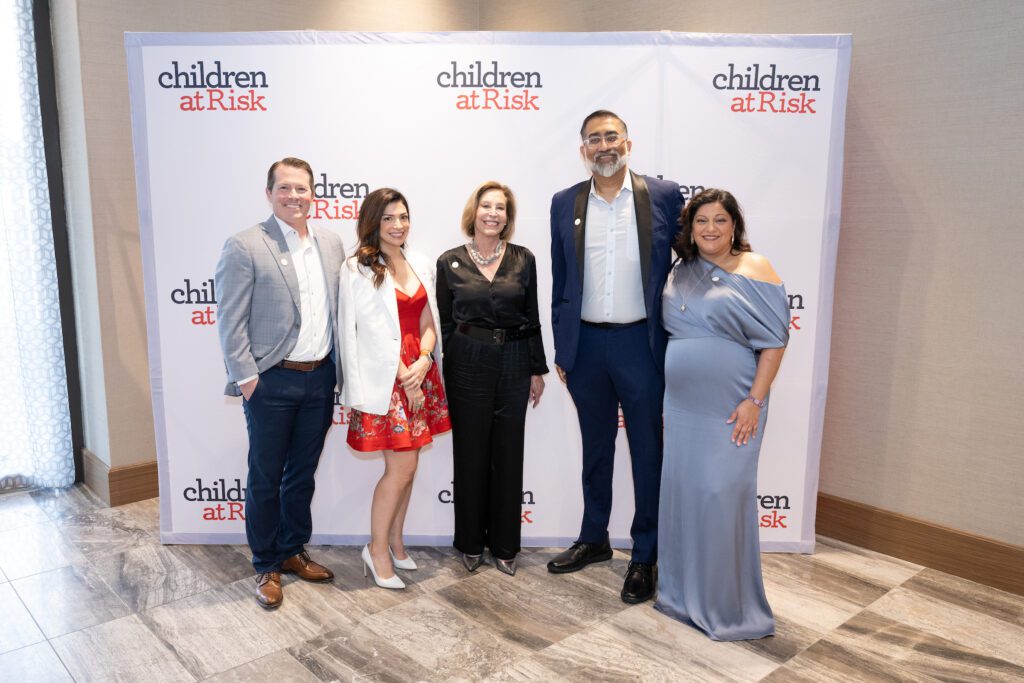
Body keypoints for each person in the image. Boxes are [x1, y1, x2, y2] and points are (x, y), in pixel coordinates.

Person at [548, 110, 682, 603]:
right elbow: (562, 281)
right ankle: (594, 538)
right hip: (586, 347)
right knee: (595, 447)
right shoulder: (565, 202)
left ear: (628, 142)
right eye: (593, 139)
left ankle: (645, 554)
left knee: (648, 450)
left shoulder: (663, 195)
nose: (603, 146)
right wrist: (564, 348)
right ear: (583, 148)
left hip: (641, 345)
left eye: (611, 136)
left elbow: (686, 261)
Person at [656, 188, 789, 640]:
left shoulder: (757, 268)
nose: (710, 229)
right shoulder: (681, 270)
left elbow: (774, 341)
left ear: (735, 225)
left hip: (734, 404)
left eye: (720, 220)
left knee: (721, 496)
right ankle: (680, 596)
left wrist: (755, 400)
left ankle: (727, 607)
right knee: (686, 496)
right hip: (681, 405)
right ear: (690, 229)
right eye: (701, 221)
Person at [215, 157, 345, 609]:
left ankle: (293, 550)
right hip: (271, 382)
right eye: (285, 188)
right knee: (265, 478)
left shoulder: (331, 244)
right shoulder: (245, 245)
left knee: (301, 476)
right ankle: (266, 563)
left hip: (320, 377)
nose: (294, 196)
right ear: (269, 193)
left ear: (314, 194)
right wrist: (248, 379)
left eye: (302, 189)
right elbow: (230, 321)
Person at [338, 187, 451, 590]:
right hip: (387, 381)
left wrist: (424, 360)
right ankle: (377, 549)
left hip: (420, 371)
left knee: (411, 466)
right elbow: (367, 332)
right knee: (399, 468)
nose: (398, 225)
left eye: (403, 216)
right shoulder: (358, 268)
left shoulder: (418, 261)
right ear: (373, 222)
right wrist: (407, 376)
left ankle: (397, 543)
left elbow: (428, 319)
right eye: (388, 218)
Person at [436, 181, 548, 577]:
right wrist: (450, 371)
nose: (493, 213)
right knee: (469, 453)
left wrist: (537, 368)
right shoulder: (449, 260)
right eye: (486, 206)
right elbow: (446, 324)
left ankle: (504, 545)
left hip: (515, 359)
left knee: (507, 452)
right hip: (467, 361)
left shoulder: (524, 258)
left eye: (501, 208)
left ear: (508, 217)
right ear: (475, 211)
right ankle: (468, 542)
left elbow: (532, 315)